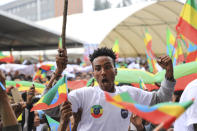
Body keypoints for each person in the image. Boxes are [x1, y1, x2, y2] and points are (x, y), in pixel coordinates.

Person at [44, 47, 175, 131]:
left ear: (115, 71)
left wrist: (169, 72)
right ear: (93, 74)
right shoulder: (83, 95)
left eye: (107, 67)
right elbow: (49, 109)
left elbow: (161, 99)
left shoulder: (129, 93)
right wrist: (58, 71)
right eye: (98, 68)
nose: (103, 72)